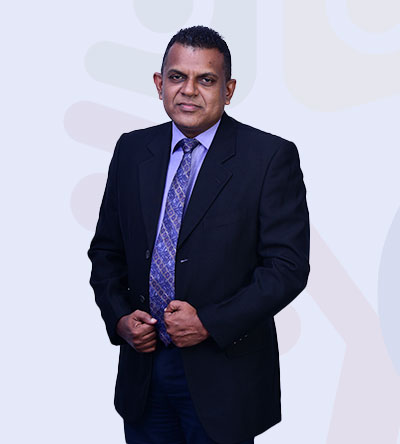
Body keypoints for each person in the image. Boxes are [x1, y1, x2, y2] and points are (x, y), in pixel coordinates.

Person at [88, 25, 310, 444]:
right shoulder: (132, 150)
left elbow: (287, 268)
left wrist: (209, 323)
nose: (188, 90)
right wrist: (118, 317)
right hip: (144, 371)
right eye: (177, 77)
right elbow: (106, 250)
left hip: (224, 375)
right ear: (160, 84)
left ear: (228, 89)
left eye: (205, 79)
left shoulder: (268, 158)